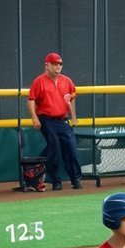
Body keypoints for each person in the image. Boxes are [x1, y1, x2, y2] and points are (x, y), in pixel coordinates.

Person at [27, 52, 83, 191]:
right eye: (55, 64)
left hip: (62, 120)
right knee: (53, 146)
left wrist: (73, 116)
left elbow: (72, 98)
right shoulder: (39, 81)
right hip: (46, 119)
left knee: (70, 147)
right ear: (47, 65)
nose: (58, 66)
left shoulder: (66, 81)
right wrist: (34, 118)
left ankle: (75, 179)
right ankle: (55, 180)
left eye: (60, 64)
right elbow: (31, 100)